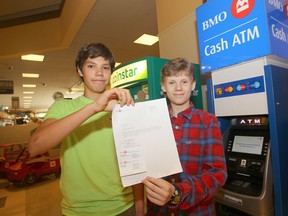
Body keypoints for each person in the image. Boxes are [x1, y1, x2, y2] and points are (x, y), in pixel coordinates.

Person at [28, 42, 144, 216]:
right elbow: (35, 146)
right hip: (78, 211)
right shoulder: (62, 107)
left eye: (105, 67)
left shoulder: (123, 107)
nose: (99, 73)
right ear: (80, 71)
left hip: (123, 206)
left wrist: (140, 204)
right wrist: (95, 107)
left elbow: (136, 157)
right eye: (91, 66)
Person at [142, 57, 227, 215]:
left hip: (196, 211)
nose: (178, 88)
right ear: (163, 86)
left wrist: (178, 193)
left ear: (193, 85)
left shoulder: (208, 122)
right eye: (172, 82)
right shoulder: (152, 121)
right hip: (159, 211)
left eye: (184, 82)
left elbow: (217, 174)